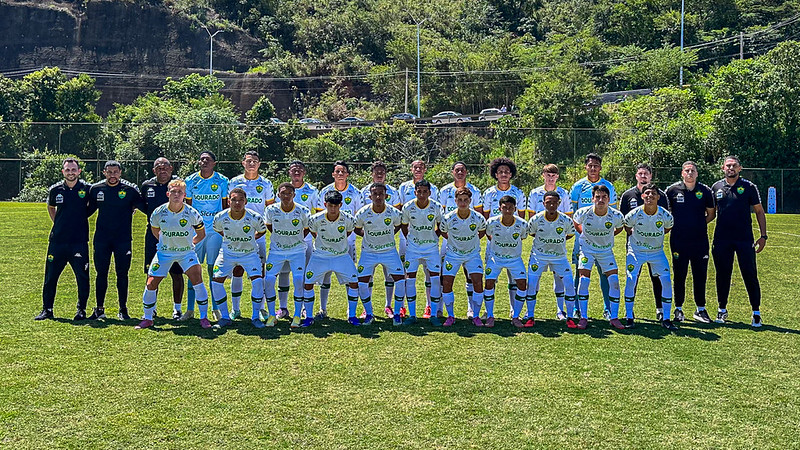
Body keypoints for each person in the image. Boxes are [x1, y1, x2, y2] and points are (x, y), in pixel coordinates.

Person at [137, 179, 210, 329]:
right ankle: (148, 318)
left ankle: (204, 317)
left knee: (197, 279)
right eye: (174, 192)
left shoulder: (192, 213)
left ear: (184, 195)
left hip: (186, 253)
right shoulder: (158, 212)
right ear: (168, 194)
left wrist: (189, 244)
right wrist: (167, 243)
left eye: (180, 192)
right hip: (165, 253)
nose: (176, 195)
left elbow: (201, 234)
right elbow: (155, 230)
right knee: (151, 282)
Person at [711, 156, 767, 327]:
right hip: (722, 239)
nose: (731, 168)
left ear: (740, 168)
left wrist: (763, 236)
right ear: (723, 168)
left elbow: (759, 211)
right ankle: (722, 310)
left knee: (750, 274)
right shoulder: (716, 187)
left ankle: (756, 313)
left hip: (744, 238)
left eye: (734, 165)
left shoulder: (749, 187)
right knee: (722, 275)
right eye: (728, 165)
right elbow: (711, 213)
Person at [86, 160, 144, 320]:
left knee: (122, 274)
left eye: (115, 172)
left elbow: (146, 207)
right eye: (109, 172)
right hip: (102, 239)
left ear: (120, 173)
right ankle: (99, 309)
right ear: (104, 172)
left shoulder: (129, 190)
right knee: (101, 273)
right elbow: (86, 211)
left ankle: (123, 309)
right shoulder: (96, 189)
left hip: (123, 239)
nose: (113, 175)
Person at [36, 158, 91, 321]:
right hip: (57, 241)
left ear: (79, 171)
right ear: (63, 172)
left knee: (82, 277)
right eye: (67, 170)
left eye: (73, 170)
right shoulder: (55, 190)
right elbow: (51, 207)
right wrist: (58, 223)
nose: (70, 173)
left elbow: (94, 206)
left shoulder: (87, 189)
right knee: (50, 277)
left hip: (79, 241)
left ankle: (81, 310)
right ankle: (47, 309)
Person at [665, 161, 715, 323]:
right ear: (682, 173)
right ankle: (678, 308)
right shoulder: (672, 190)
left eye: (693, 170)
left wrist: (697, 224)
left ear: (697, 173)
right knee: (679, 274)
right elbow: (665, 213)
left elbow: (711, 214)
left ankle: (700, 309)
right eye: (687, 170)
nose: (690, 173)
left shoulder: (705, 191)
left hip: (699, 240)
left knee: (700, 274)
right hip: (678, 240)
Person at [210, 188, 268, 329]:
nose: (237, 203)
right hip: (227, 254)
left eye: (241, 200)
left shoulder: (255, 217)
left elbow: (262, 231)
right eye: (234, 200)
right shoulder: (220, 217)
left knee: (258, 281)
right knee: (216, 282)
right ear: (229, 201)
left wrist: (250, 239)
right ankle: (225, 317)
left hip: (249, 254)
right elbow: (218, 229)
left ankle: (255, 317)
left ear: (246, 201)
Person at [619, 163, 670, 320]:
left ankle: (660, 309)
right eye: (640, 173)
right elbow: (623, 220)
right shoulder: (628, 195)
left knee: (658, 278)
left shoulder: (661, 195)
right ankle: (629, 312)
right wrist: (633, 233)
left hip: (655, 247)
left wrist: (656, 233)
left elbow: (667, 222)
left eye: (646, 174)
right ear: (636, 176)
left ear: (650, 176)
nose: (643, 176)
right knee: (632, 278)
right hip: (635, 246)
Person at [228, 151, 275, 320]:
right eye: (249, 161)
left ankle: (261, 309)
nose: (252, 164)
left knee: (259, 271)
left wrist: (261, 231)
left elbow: (270, 209)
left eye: (255, 161)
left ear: (259, 164)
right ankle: (235, 309)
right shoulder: (234, 182)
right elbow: (228, 206)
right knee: (237, 269)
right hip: (237, 233)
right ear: (243, 163)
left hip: (258, 234)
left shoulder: (266, 183)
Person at [622, 184, 676, 330]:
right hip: (636, 251)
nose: (650, 196)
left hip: (656, 252)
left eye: (653, 194)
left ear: (658, 197)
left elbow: (668, 228)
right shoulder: (634, 214)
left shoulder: (665, 215)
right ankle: (629, 317)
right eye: (647, 194)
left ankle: (666, 318)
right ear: (642, 196)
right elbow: (627, 227)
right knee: (631, 279)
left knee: (666, 281)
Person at [570, 153, 617, 319]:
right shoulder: (578, 186)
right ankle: (576, 309)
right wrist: (583, 232)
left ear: (600, 168)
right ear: (585, 167)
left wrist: (607, 233)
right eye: (590, 165)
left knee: (605, 273)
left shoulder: (608, 186)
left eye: (596, 165)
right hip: (583, 239)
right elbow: (573, 214)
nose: (593, 168)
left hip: (603, 240)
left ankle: (608, 308)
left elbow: (613, 214)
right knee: (580, 273)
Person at [182, 151, 228, 321]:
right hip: (197, 232)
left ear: (214, 163)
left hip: (214, 232)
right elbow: (188, 207)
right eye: (202, 159)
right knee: (193, 269)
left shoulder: (222, 180)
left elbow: (225, 206)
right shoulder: (191, 180)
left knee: (212, 269)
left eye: (208, 160)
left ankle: (216, 309)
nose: (204, 162)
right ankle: (190, 309)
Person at [303, 190, 360, 327]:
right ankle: (309, 316)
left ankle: (352, 315)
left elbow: (348, 232)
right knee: (308, 283)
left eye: (336, 206)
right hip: (320, 256)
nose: (333, 209)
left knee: (354, 282)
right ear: (325, 204)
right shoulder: (315, 219)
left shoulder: (348, 219)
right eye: (330, 206)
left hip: (341, 255)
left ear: (341, 205)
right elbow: (313, 232)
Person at [572, 185, 625, 329]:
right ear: (592, 198)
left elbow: (620, 228)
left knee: (614, 281)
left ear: (609, 199)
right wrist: (584, 234)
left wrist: (607, 238)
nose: (600, 200)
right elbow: (576, 223)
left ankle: (614, 317)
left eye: (604, 197)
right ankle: (583, 317)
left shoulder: (616, 215)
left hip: (606, 251)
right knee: (584, 281)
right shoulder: (583, 212)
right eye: (597, 197)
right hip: (587, 250)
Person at [354, 183, 407, 325]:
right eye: (375, 194)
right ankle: (369, 313)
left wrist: (389, 234)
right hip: (369, 252)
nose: (378, 197)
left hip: (389, 251)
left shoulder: (393, 212)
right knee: (362, 283)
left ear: (386, 196)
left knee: (400, 281)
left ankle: (397, 313)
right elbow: (357, 228)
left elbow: (398, 225)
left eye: (381, 194)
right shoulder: (363, 212)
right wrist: (367, 235)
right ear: (370, 196)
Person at [317, 161, 362, 320]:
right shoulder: (324, 191)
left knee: (350, 276)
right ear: (333, 174)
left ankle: (351, 310)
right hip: (326, 243)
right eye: (337, 171)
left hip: (347, 242)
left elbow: (357, 218)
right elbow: (319, 217)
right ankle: (322, 309)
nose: (340, 174)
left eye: (343, 171)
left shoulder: (355, 192)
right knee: (325, 275)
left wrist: (345, 236)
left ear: (347, 174)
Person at [482, 157, 527, 317]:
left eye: (506, 172)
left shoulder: (518, 193)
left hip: (512, 243)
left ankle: (514, 310)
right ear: (495, 174)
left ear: (511, 174)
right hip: (494, 242)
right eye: (500, 172)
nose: (503, 174)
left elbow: (522, 219)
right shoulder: (489, 193)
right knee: (490, 278)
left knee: (514, 278)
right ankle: (488, 311)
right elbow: (485, 219)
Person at [141, 158, 185, 319]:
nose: (163, 170)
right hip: (153, 235)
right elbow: (143, 206)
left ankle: (177, 309)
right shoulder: (147, 186)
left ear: (171, 168)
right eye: (159, 168)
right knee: (152, 273)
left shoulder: (177, 185)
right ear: (154, 171)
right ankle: (151, 308)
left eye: (165, 167)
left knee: (176, 273)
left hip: (176, 235)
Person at [439, 161, 483, 319]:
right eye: (457, 170)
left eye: (462, 170)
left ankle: (472, 310)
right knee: (445, 278)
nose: (459, 172)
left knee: (472, 276)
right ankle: (441, 310)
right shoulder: (445, 191)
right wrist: (453, 238)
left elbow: (481, 226)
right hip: (450, 241)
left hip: (470, 242)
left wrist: (470, 238)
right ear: (452, 172)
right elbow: (441, 221)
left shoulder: (475, 191)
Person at [526, 191, 577, 328]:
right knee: (531, 284)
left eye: (555, 202)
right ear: (543, 204)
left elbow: (570, 234)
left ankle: (569, 316)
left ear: (559, 204)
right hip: (539, 256)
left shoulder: (566, 220)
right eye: (549, 202)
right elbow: (532, 233)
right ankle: (530, 315)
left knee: (569, 284)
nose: (552, 205)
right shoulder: (535, 219)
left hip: (559, 257)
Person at [263, 183, 311, 328]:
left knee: (298, 279)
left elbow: (307, 229)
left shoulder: (303, 210)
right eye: (283, 193)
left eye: (289, 193)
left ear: (294, 195)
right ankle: (272, 315)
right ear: (278, 195)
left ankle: (297, 315)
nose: (286, 196)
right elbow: (270, 226)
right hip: (276, 251)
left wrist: (294, 241)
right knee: (269, 280)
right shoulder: (271, 210)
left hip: (297, 251)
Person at [527, 164, 571, 321]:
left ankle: (560, 310)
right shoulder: (534, 193)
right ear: (543, 175)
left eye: (554, 175)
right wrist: (544, 235)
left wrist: (557, 236)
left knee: (559, 276)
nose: (551, 177)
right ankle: (529, 312)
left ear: (557, 176)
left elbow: (568, 220)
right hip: (540, 245)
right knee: (534, 278)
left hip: (558, 244)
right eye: (548, 174)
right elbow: (531, 222)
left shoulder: (564, 193)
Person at [360, 161, 402, 317]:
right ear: (372, 174)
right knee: (367, 276)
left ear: (385, 174)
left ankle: (388, 305)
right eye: (376, 172)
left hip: (387, 244)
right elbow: (360, 218)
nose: (379, 174)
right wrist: (368, 234)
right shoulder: (363, 191)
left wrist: (389, 232)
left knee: (390, 275)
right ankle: (367, 308)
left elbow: (397, 218)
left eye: (382, 172)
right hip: (369, 244)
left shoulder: (393, 191)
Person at [398, 159, 439, 315]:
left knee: (432, 276)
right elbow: (403, 221)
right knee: (407, 275)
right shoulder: (405, 193)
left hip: (430, 244)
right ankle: (406, 309)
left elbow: (439, 223)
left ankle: (431, 308)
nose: (418, 169)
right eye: (415, 167)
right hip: (411, 242)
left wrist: (433, 236)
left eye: (421, 167)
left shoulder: (435, 197)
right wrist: (409, 237)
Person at [401, 180, 444, 325]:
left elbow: (440, 226)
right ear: (415, 192)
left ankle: (433, 314)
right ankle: (412, 315)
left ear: (430, 193)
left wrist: (433, 238)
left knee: (435, 279)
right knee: (410, 279)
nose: (422, 194)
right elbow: (404, 226)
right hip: (413, 249)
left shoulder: (436, 207)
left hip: (431, 249)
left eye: (425, 191)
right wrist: (411, 239)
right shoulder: (408, 207)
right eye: (419, 191)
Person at [485, 196, 528, 328]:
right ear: (499, 208)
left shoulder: (522, 224)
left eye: (511, 208)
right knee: (489, 283)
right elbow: (488, 234)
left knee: (522, 284)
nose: (508, 210)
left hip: (514, 259)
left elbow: (523, 237)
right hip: (496, 258)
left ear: (515, 209)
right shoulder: (491, 222)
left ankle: (516, 316)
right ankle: (490, 315)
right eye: (505, 208)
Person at [287, 160, 321, 318]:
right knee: (285, 274)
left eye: (300, 169)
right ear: (289, 172)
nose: (296, 172)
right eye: (294, 169)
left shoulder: (312, 190)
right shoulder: (283, 189)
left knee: (306, 275)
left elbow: (318, 215)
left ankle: (305, 308)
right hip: (286, 240)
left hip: (305, 239)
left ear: (304, 172)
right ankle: (283, 308)